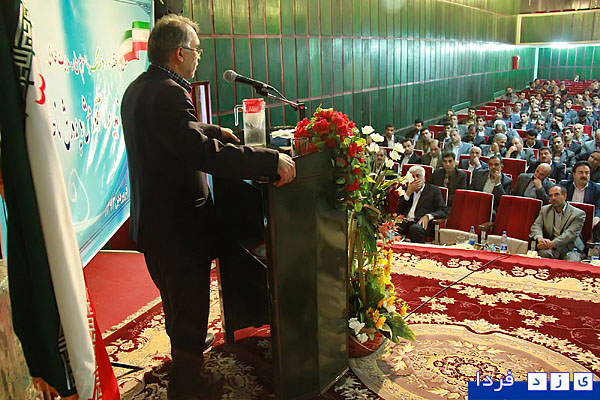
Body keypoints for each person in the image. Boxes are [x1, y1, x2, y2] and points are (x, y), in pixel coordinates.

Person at [120, 15, 296, 399]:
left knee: (176, 306)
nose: (199, 57)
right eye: (196, 50)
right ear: (179, 53)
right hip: (179, 230)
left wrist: (216, 131)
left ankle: (184, 368)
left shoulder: (139, 88)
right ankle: (187, 389)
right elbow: (200, 153)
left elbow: (175, 134)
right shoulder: (170, 93)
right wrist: (268, 160)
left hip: (153, 223)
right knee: (191, 313)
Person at [530, 185, 585, 262]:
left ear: (565, 196)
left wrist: (550, 244)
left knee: (572, 260)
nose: (553, 198)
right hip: (551, 249)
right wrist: (540, 239)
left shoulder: (578, 214)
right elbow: (536, 226)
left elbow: (570, 234)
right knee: (542, 255)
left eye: (556, 195)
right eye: (550, 196)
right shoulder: (545, 210)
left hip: (570, 249)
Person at [396, 165, 448, 243]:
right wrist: (408, 193)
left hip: (421, 225)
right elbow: (399, 211)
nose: (415, 179)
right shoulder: (406, 189)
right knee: (392, 227)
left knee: (414, 229)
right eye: (412, 177)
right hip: (406, 222)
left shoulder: (434, 191)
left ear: (424, 178)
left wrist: (428, 216)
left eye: (418, 176)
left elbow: (444, 211)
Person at [560, 161, 600, 241]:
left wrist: (597, 217)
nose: (584, 175)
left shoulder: (597, 189)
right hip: (565, 220)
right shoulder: (564, 186)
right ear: (574, 174)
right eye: (581, 172)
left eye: (587, 173)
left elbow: (599, 207)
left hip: (586, 222)